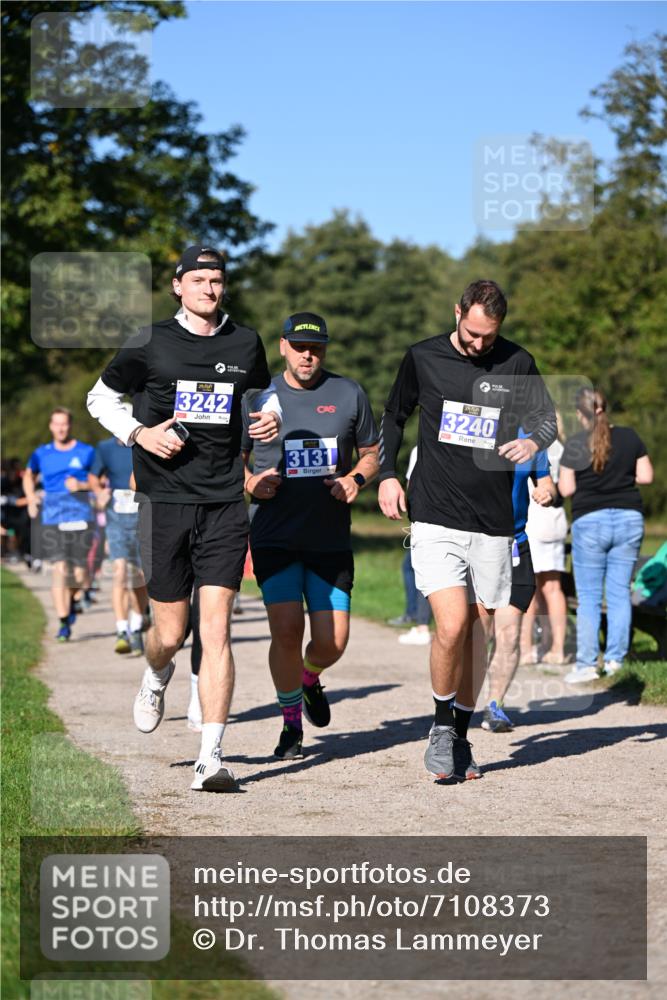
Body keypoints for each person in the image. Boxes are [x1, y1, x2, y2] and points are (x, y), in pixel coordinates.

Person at [87, 245, 281, 792]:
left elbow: (264, 394)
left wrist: (268, 418)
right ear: (178, 286)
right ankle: (155, 673)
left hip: (223, 500)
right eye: (198, 279)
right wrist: (139, 433)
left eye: (216, 280)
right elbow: (99, 398)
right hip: (163, 499)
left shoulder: (245, 342)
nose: (209, 289)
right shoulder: (150, 342)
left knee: (215, 628)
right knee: (170, 632)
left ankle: (210, 758)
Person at [378, 279, 557, 782]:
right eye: (473, 333)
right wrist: (389, 475)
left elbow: (546, 419)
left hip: (494, 521)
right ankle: (438, 728)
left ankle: (460, 732)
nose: (480, 345)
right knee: (452, 624)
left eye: (489, 337)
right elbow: (394, 416)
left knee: (478, 629)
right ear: (457, 312)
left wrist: (533, 444)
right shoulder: (423, 357)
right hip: (434, 512)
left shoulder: (516, 362)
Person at [242, 312, 379, 759]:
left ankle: (309, 678)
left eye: (316, 347)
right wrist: (249, 482)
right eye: (300, 346)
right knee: (285, 629)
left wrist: (354, 480)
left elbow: (372, 453)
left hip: (328, 538)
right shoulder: (257, 397)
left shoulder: (347, 392)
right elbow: (230, 460)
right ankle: (291, 726)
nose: (308, 354)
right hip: (274, 534)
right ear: (282, 346)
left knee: (332, 642)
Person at [559, 388, 653, 682]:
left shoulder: (574, 444)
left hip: (590, 521)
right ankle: (615, 661)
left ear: (580, 413)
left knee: (588, 596)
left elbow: (566, 490)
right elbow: (646, 476)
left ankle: (587, 664)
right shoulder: (629, 436)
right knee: (618, 593)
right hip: (629, 518)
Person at [481, 429, 557, 732]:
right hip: (475, 543)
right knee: (476, 633)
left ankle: (494, 706)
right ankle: (451, 706)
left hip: (515, 544)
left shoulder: (531, 439)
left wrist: (546, 493)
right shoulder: (478, 429)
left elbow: (546, 482)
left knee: (509, 632)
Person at [23, 409, 96, 641]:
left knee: (79, 572)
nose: (61, 428)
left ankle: (73, 601)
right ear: (51, 426)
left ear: (70, 426)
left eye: (64, 424)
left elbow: (100, 480)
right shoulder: (41, 453)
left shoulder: (86, 451)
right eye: (57, 424)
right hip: (53, 517)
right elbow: (28, 476)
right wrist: (31, 497)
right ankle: (63, 622)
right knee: (59, 568)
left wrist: (82, 485)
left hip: (81, 516)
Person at [88, 417, 149, 656]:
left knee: (140, 577)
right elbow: (94, 477)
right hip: (116, 517)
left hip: (143, 516)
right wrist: (98, 492)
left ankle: (136, 624)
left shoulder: (143, 444)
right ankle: (122, 630)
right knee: (120, 573)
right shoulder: (104, 448)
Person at [521, 414, 570, 666]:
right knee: (552, 587)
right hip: (556, 519)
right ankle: (556, 648)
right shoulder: (560, 447)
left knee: (529, 589)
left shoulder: (529, 443)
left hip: (534, 518)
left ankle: (527, 649)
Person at [396, 447, 433, 645]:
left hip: (425, 519)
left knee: (419, 571)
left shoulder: (419, 450)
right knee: (411, 567)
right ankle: (415, 616)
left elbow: (412, 486)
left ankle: (421, 625)